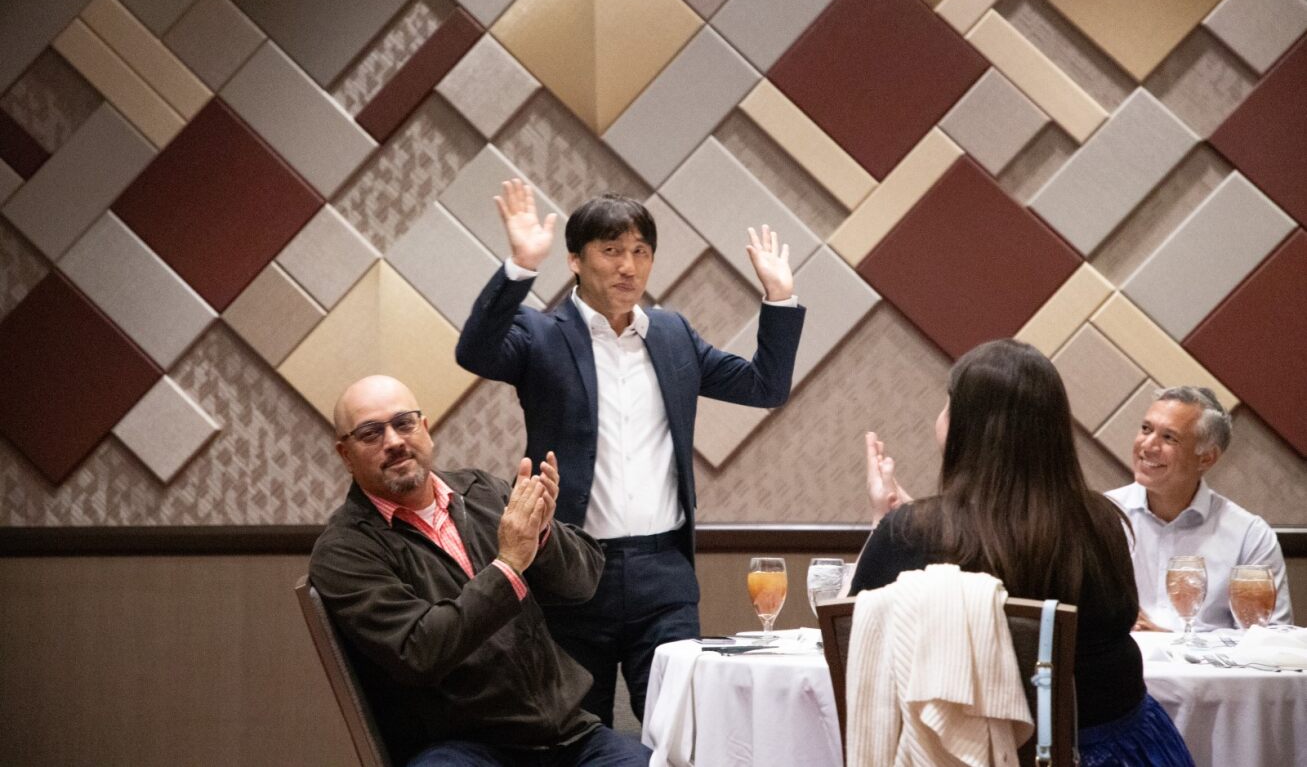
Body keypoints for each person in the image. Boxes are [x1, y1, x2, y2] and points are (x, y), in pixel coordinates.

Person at [455, 180, 805, 725]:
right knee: (577, 734)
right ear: (574, 259)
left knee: (682, 736)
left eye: (641, 251)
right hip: (572, 569)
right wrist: (519, 268)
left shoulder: (672, 334)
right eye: (611, 250)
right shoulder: (540, 334)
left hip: (663, 573)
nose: (629, 266)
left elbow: (765, 386)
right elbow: (474, 351)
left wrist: (779, 299)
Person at [850, 339, 1193, 766]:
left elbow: (859, 641)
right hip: (1115, 750)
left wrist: (889, 524)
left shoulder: (913, 534)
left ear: (964, 426)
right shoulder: (1101, 522)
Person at [309, 375, 650, 766]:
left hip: (566, 734)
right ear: (345, 454)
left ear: (425, 428)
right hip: (460, 745)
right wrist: (507, 566)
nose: (393, 441)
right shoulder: (344, 549)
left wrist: (542, 537)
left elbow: (584, 584)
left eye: (403, 423)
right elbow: (419, 651)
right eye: (371, 433)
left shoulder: (484, 491)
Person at [1105, 386, 1292, 632]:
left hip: (1207, 671)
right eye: (1146, 429)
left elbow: (1270, 641)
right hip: (1120, 670)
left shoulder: (1248, 536)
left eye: (1169, 437)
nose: (1148, 446)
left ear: (1206, 458)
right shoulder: (1102, 516)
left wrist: (1171, 641)